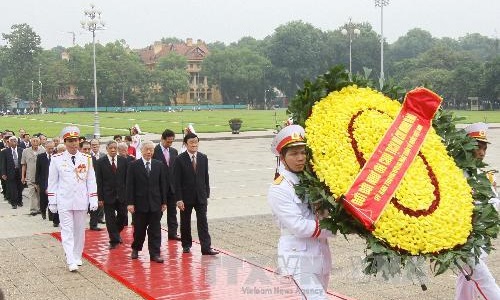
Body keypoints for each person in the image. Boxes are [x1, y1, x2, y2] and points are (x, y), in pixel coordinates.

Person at [267, 125, 333, 300]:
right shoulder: (279, 188)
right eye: (294, 154)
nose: (300, 158)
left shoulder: (312, 179)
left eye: (303, 152)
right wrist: (334, 226)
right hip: (297, 257)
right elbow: (299, 227)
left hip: (320, 254)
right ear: (282, 157)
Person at [455, 122, 500, 300]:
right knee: (484, 280)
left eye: (484, 148)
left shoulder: (484, 176)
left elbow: (494, 202)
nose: (481, 152)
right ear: (466, 148)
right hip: (461, 240)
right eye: (477, 147)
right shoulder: (455, 175)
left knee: (467, 279)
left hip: (478, 239)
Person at [47, 126, 98, 272]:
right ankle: (70, 258)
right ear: (65, 142)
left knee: (79, 230)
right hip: (64, 200)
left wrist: (93, 198)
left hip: (81, 199)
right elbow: (53, 182)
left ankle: (76, 255)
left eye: (75, 140)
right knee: (67, 230)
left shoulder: (87, 158)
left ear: (79, 141)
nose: (73, 144)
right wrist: (53, 200)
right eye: (70, 141)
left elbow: (91, 180)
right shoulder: (57, 159)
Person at [174, 132, 218, 255]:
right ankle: (186, 245)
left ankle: (206, 247)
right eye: (191, 142)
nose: (194, 144)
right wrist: (178, 198)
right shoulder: (179, 159)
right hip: (185, 198)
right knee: (185, 222)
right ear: (185, 144)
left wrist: (206, 194)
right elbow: (176, 181)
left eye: (196, 142)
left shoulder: (203, 157)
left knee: (203, 222)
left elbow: (205, 177)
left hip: (201, 196)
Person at [127, 141, 169, 263]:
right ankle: (136, 248)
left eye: (151, 149)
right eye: (147, 149)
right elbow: (130, 186)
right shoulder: (134, 165)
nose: (149, 152)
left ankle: (155, 253)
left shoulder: (159, 165)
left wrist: (164, 202)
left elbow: (162, 185)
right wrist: (130, 203)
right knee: (139, 230)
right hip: (140, 205)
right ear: (142, 150)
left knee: (155, 230)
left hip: (155, 204)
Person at [95, 141, 128, 249]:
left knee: (123, 216)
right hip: (107, 195)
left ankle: (116, 233)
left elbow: (127, 179)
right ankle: (114, 240)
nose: (113, 150)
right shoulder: (100, 162)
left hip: (122, 195)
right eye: (111, 148)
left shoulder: (124, 161)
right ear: (107, 149)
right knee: (110, 219)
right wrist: (100, 198)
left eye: (115, 148)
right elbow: (99, 181)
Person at [153, 129, 180, 241]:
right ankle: (154, 232)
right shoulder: (154, 151)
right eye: (168, 141)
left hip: (172, 187)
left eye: (171, 142)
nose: (170, 144)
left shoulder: (174, 151)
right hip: (159, 188)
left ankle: (172, 233)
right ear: (162, 139)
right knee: (158, 212)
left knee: (172, 212)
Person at [35, 140, 58, 224]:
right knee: (43, 199)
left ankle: (51, 215)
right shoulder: (40, 156)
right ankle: (43, 211)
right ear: (45, 148)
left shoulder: (56, 156)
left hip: (53, 181)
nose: (51, 150)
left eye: (52, 148)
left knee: (52, 198)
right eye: (49, 148)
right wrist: (36, 182)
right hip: (43, 181)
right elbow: (38, 170)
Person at [21, 136, 45, 215]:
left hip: (40, 176)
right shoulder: (25, 151)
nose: (35, 142)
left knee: (39, 193)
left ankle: (39, 208)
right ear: (31, 142)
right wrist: (23, 176)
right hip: (30, 176)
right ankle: (33, 209)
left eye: (36, 141)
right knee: (32, 193)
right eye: (33, 141)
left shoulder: (43, 150)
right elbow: (24, 164)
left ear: (39, 142)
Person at [1, 136, 24, 209]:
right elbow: (3, 163)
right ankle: (14, 203)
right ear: (9, 142)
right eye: (13, 141)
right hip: (10, 172)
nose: (14, 142)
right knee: (12, 188)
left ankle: (19, 201)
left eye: (15, 141)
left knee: (20, 187)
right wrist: (3, 173)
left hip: (19, 171)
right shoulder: (5, 152)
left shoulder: (21, 150)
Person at [88, 139, 105, 230]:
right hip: (91, 181)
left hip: (101, 181)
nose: (94, 146)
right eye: (93, 145)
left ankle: (100, 218)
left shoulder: (103, 155)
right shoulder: (88, 156)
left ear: (99, 145)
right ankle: (93, 220)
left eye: (96, 145)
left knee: (101, 200)